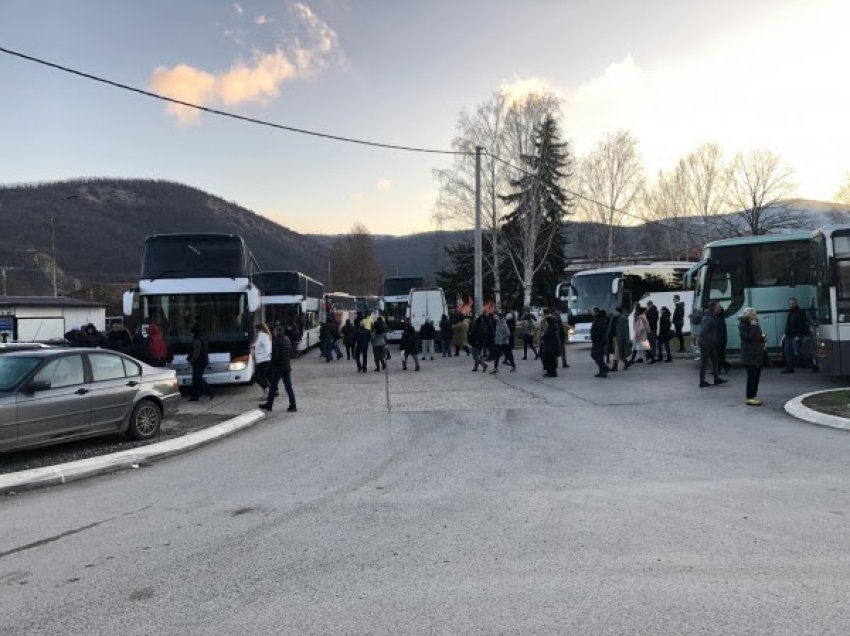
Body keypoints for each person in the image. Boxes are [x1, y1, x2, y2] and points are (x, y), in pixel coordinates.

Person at [259, 325, 296, 412]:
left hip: (278, 368)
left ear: (278, 332)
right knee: (288, 387)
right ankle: (293, 405)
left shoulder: (276, 342)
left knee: (272, 387)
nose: (273, 333)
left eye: (275, 331)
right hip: (287, 367)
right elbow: (290, 353)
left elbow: (275, 356)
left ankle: (269, 405)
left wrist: (270, 365)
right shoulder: (287, 340)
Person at [739, 307, 765, 405]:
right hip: (749, 354)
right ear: (748, 315)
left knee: (757, 376)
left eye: (755, 314)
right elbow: (747, 337)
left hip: (757, 352)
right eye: (753, 314)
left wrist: (762, 338)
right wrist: (753, 327)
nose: (755, 316)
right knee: (751, 377)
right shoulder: (743, 325)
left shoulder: (755, 323)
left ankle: (754, 395)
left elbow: (756, 336)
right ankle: (749, 397)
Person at [698, 303, 727, 388]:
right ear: (714, 309)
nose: (720, 309)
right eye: (719, 307)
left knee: (715, 361)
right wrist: (708, 342)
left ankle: (716, 378)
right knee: (704, 363)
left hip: (711, 344)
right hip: (706, 344)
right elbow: (703, 332)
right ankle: (702, 382)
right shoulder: (709, 318)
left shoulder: (711, 316)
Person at [188, 324, 215, 401]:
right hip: (203, 361)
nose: (190, 334)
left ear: (194, 333)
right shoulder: (203, 338)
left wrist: (191, 360)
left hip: (198, 362)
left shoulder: (197, 340)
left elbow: (196, 353)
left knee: (198, 379)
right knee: (195, 380)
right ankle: (195, 396)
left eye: (191, 333)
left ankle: (211, 390)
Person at [782, 297, 810, 373]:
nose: (791, 305)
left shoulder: (800, 312)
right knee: (787, 351)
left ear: (796, 303)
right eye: (790, 303)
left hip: (795, 336)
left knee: (799, 352)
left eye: (792, 303)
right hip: (788, 335)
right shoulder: (790, 312)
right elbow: (789, 324)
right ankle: (790, 368)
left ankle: (810, 365)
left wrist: (799, 335)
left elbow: (801, 325)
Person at [607, 306, 631, 372]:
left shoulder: (623, 319)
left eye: (615, 311)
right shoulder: (613, 318)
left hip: (620, 338)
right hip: (614, 337)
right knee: (618, 352)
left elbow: (626, 330)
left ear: (618, 312)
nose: (613, 312)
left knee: (617, 352)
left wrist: (626, 339)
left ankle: (615, 366)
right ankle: (626, 363)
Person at [589, 307, 611, 377]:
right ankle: (602, 372)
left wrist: (594, 336)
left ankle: (605, 368)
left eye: (592, 311)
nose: (591, 313)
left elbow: (601, 330)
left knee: (594, 354)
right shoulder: (599, 319)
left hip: (599, 340)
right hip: (599, 340)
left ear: (596, 312)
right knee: (600, 356)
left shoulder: (600, 319)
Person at [253, 323, 272, 393]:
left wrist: (266, 356)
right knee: (263, 377)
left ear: (259, 329)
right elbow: (260, 345)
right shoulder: (261, 336)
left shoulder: (263, 336)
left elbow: (267, 347)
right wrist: (254, 346)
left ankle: (269, 390)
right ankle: (272, 390)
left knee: (256, 377)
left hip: (263, 360)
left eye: (256, 329)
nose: (255, 330)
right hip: (262, 360)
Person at [715, 303, 731, 374]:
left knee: (719, 356)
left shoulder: (719, 318)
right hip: (719, 339)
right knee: (718, 356)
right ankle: (718, 369)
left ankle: (726, 366)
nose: (715, 310)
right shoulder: (719, 316)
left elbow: (720, 331)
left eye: (716, 309)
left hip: (720, 340)